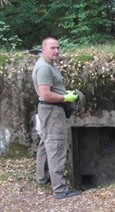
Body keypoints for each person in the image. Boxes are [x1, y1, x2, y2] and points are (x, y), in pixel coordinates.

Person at [32, 37, 81, 199]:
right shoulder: (44, 68)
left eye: (58, 48)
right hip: (52, 111)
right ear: (43, 49)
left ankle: (43, 177)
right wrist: (65, 98)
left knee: (45, 144)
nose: (56, 51)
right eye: (52, 48)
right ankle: (60, 189)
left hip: (49, 109)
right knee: (56, 146)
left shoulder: (48, 65)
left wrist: (65, 94)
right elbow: (45, 94)